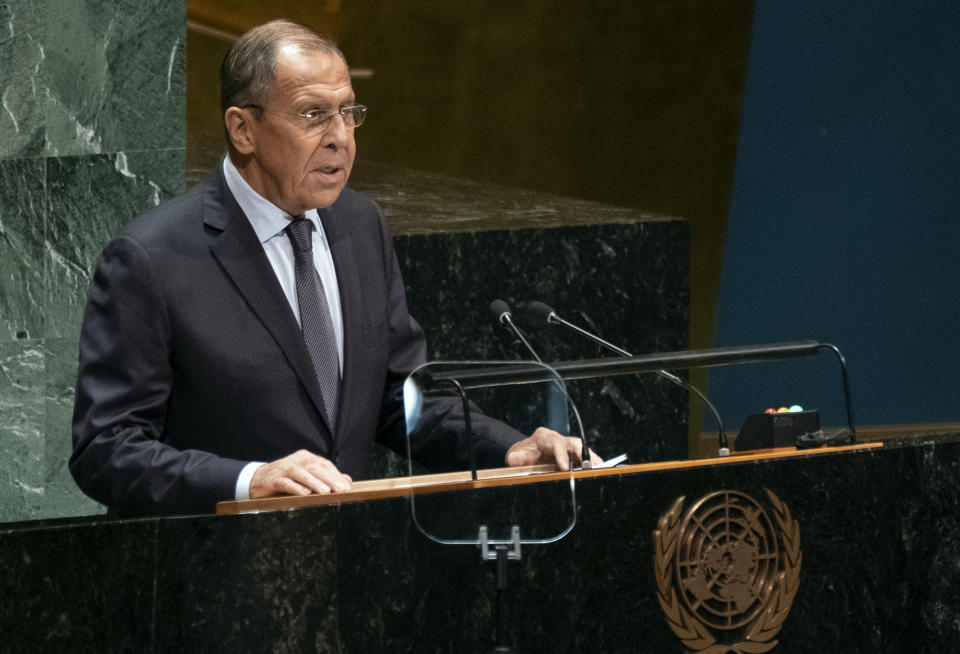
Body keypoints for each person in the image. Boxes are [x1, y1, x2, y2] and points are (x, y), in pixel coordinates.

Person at [69, 20, 596, 516]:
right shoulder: (152, 258)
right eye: (313, 115)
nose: (341, 137)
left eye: (348, 112)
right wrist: (247, 481)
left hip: (348, 565)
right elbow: (106, 450)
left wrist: (509, 448)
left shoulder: (358, 224)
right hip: (213, 575)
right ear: (243, 129)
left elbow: (400, 398)